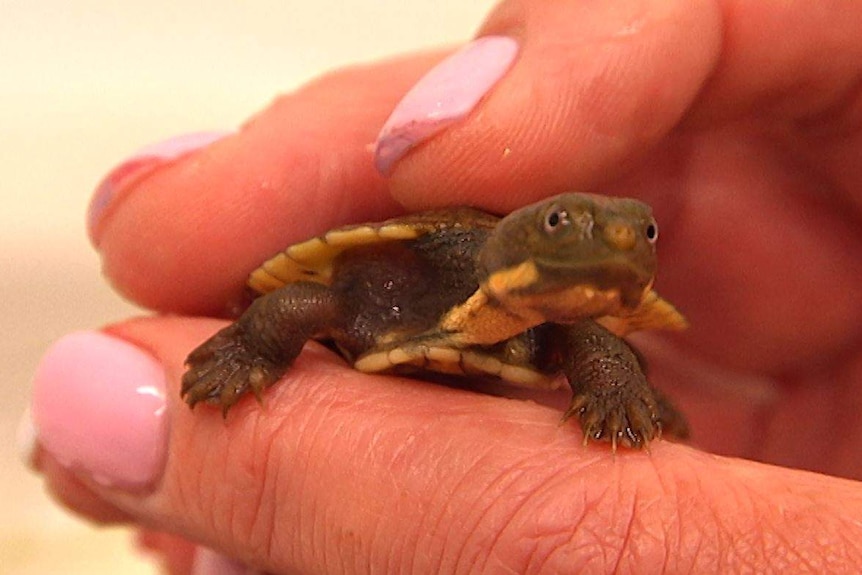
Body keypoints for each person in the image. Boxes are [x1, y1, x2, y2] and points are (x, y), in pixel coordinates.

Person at [25, 1, 862, 572]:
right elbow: (309, 302)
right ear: (516, 241)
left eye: (638, 233)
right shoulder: (405, 279)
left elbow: (593, 339)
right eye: (564, 225)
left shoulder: (565, 330)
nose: (608, 240)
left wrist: (620, 392)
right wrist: (251, 344)